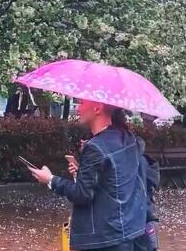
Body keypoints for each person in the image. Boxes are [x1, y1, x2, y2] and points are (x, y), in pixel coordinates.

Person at [29, 100, 149, 251]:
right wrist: (83, 172)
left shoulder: (95, 147)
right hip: (128, 230)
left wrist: (50, 180)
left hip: (104, 238)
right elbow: (115, 181)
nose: (78, 108)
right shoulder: (126, 137)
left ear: (97, 108)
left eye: (81, 103)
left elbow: (82, 194)